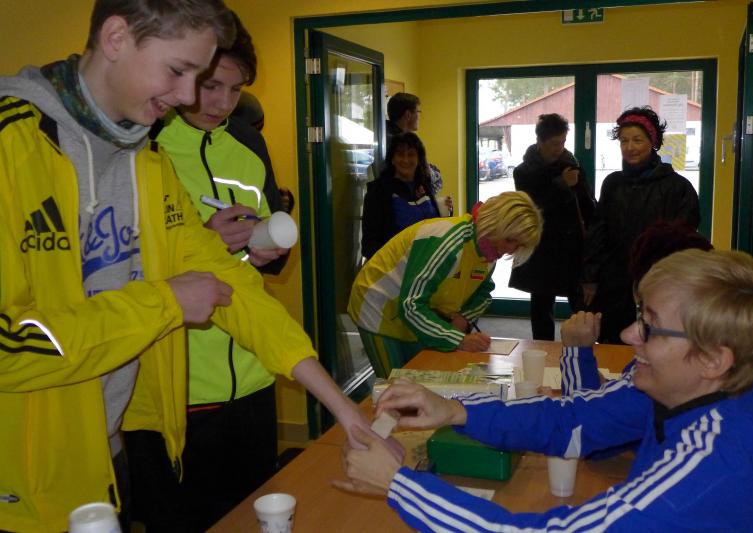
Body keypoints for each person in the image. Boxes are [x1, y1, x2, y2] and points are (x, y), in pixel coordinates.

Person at [0, 3, 370, 531]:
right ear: (116, 37)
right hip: (18, 482)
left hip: (106, 451)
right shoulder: (10, 145)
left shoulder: (146, 163)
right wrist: (165, 303)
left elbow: (232, 283)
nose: (189, 96)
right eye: (178, 71)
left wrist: (343, 408)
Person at [336, 249, 753, 531]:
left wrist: (398, 484)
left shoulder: (718, 463)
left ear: (714, 358)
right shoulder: (693, 387)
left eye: (650, 327)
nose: (629, 335)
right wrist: (454, 410)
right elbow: (570, 420)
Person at [122, 14, 298, 532]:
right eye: (210, 85)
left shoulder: (248, 142)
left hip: (252, 371)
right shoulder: (144, 141)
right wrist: (201, 241)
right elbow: (118, 262)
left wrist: (268, 249)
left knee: (253, 514)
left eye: (235, 90)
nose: (221, 103)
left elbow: (271, 236)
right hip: (176, 381)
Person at [349, 191, 542, 377]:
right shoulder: (450, 243)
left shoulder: (489, 250)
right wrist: (459, 340)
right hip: (378, 306)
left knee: (419, 378)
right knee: (394, 385)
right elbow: (411, 306)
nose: (511, 250)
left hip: (413, 310)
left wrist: (464, 318)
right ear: (494, 224)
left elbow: (483, 293)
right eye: (510, 240)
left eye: (519, 245)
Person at [581, 106, 700, 345]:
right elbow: (598, 233)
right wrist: (589, 277)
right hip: (614, 282)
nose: (630, 147)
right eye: (624, 141)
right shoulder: (612, 184)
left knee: (653, 344)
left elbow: (683, 242)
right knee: (613, 343)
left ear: (652, 142)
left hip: (656, 282)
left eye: (637, 140)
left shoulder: (678, 188)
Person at [561, 220, 713, 394]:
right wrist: (609, 386)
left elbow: (580, 408)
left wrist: (577, 352)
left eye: (648, 323)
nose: (627, 336)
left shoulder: (656, 367)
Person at [509, 113, 595, 340]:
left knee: (582, 304)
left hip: (572, 246)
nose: (560, 148)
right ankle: (542, 349)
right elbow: (533, 207)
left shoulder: (572, 166)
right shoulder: (524, 171)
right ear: (540, 141)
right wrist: (562, 185)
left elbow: (587, 205)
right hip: (542, 246)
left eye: (563, 142)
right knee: (541, 305)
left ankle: (585, 347)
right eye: (555, 143)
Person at [361, 132, 446, 259]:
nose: (405, 160)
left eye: (411, 154)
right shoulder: (378, 191)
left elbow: (435, 225)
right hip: (395, 266)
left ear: (419, 159)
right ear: (392, 159)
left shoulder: (424, 185)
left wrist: (446, 211)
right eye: (400, 154)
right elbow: (369, 245)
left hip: (426, 263)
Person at [385, 91, 443, 194]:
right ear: (408, 115)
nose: (419, 116)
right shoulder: (402, 143)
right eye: (418, 112)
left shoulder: (383, 134)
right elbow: (427, 178)